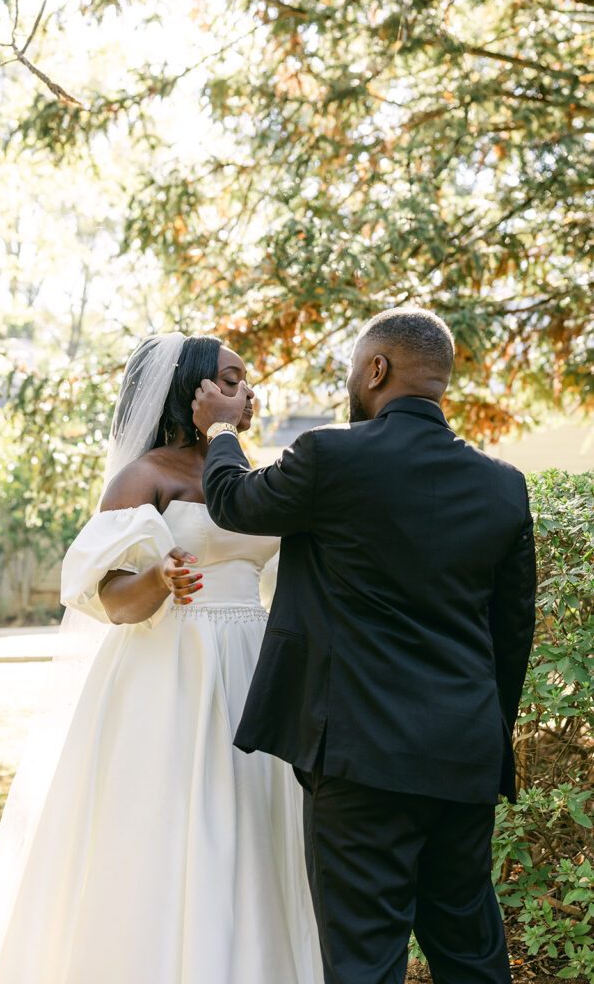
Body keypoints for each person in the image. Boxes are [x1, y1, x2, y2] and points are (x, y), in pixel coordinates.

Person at [0, 332, 322, 984]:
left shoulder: (249, 472)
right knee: (176, 830)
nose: (247, 393)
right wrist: (159, 580)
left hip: (252, 667)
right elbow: (109, 598)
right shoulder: (146, 476)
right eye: (229, 381)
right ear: (190, 392)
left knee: (251, 833)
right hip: (170, 669)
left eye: (244, 381)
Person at [192, 308, 537, 984]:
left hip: (359, 758)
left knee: (364, 959)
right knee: (469, 948)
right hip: (464, 755)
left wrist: (222, 429)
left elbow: (232, 502)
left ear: (375, 369)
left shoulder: (331, 456)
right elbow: (511, 632)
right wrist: (483, 734)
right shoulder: (504, 486)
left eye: (354, 368)